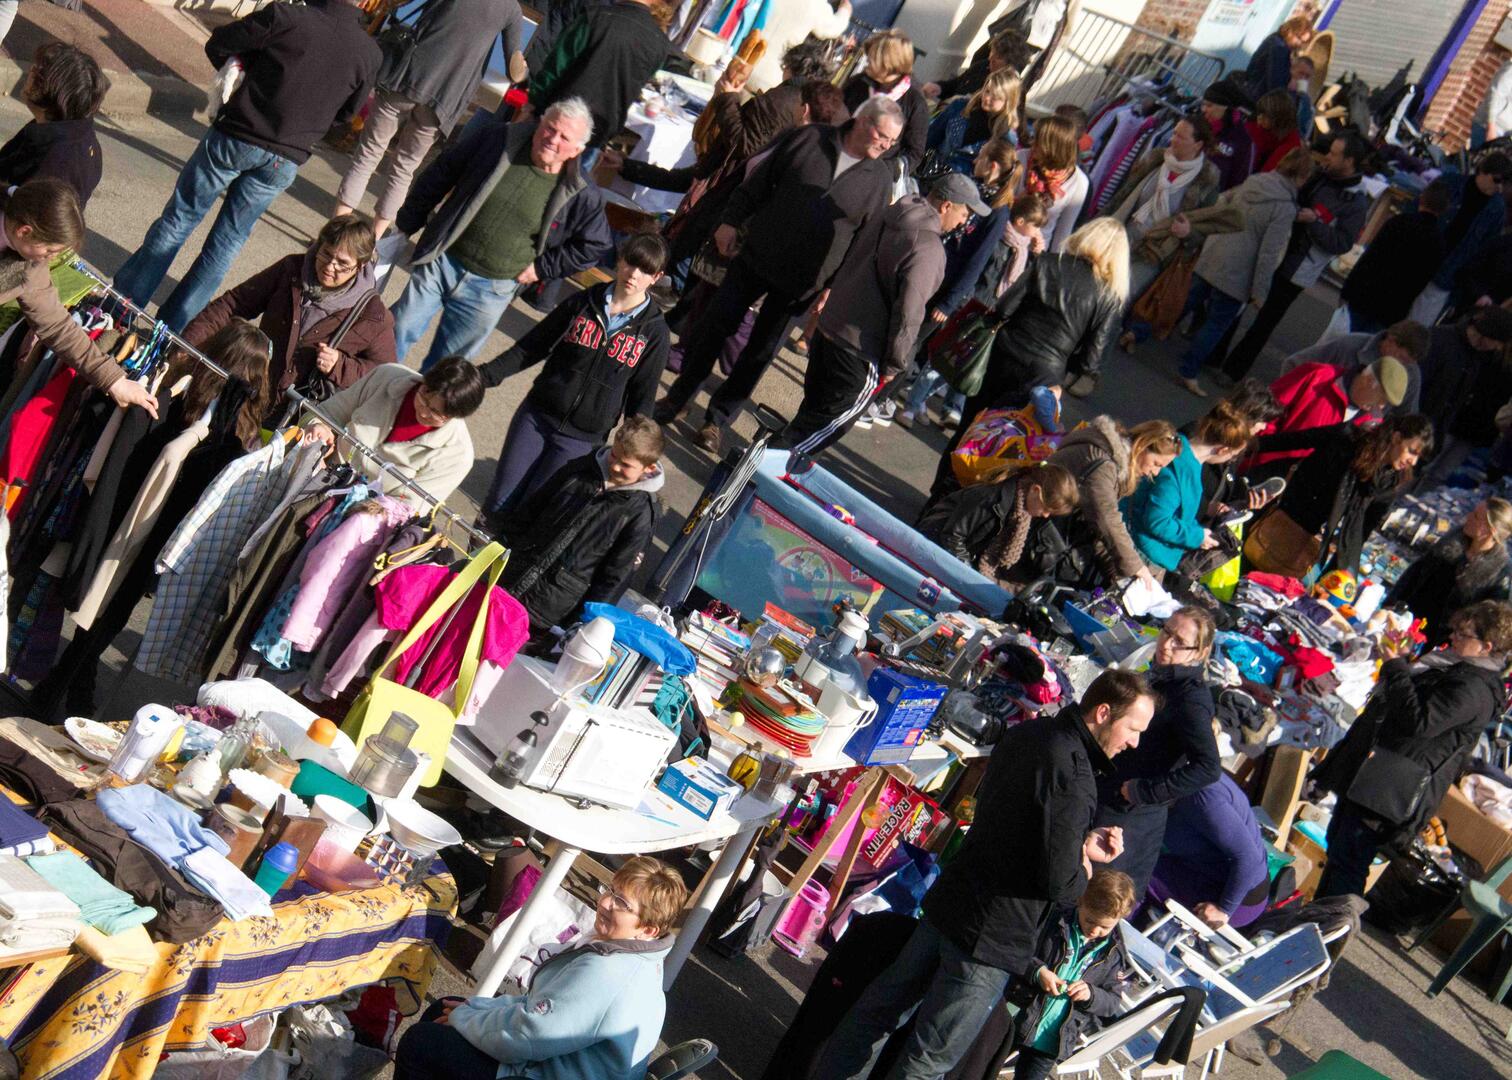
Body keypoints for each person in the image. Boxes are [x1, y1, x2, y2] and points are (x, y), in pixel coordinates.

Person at [815, 670, 1152, 1080]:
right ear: (1103, 712)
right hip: (993, 937)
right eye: (1133, 729)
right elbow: (1061, 883)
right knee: (927, 1059)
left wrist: (1079, 841)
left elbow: (1025, 829)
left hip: (953, 901)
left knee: (878, 1015)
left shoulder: (1031, 733)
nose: (1135, 742)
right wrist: (1083, 863)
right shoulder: (1074, 777)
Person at [32, 318, 276, 718]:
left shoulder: (183, 398)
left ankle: (71, 676)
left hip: (134, 514)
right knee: (114, 605)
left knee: (108, 599)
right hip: (158, 527)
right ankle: (68, 678)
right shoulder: (226, 422)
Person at [112, 0, 381, 331]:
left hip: (238, 134)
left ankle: (122, 306)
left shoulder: (287, 17)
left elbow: (220, 43)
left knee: (181, 219)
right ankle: (174, 328)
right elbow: (346, 115)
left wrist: (250, 70)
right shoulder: (369, 54)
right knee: (227, 242)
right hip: (285, 157)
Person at [653, 98, 901, 454]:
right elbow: (758, 182)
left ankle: (717, 420)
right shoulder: (810, 138)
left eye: (893, 141)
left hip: (805, 283)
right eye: (883, 136)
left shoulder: (879, 179)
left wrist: (833, 289)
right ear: (863, 121)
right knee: (713, 326)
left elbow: (863, 243)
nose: (887, 145)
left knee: (760, 352)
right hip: (756, 254)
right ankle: (678, 398)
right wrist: (729, 221)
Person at [393, 854, 688, 1080]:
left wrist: (467, 1019)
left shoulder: (608, 972)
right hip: (553, 1062)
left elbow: (528, 1037)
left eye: (622, 903)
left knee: (421, 1043)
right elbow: (538, 1010)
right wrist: (473, 1012)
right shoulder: (642, 960)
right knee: (443, 1011)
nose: (606, 903)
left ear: (648, 929)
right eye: (611, 890)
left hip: (539, 1070)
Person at [387, 98, 612, 372]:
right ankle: (374, 389)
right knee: (398, 328)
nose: (552, 139)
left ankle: (419, 402)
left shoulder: (581, 192)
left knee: (448, 367)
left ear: (577, 150)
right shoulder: (499, 139)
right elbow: (443, 171)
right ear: (540, 122)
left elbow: (595, 245)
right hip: (443, 259)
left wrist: (542, 268)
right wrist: (407, 222)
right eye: (550, 128)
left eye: (564, 137)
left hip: (494, 287)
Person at [1314, 600, 1512, 898]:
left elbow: (1420, 721)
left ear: (1486, 646)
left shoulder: (1473, 688)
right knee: (1340, 851)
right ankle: (1319, 918)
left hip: (1390, 789)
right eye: (1456, 630)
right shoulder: (1453, 669)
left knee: (1349, 863)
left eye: (1464, 634)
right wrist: (1404, 660)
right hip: (1377, 776)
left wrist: (1396, 667)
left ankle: (1333, 922)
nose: (1453, 636)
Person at [927, 217, 1127, 503]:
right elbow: (1090, 362)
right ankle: (965, 506)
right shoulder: (1107, 297)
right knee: (1009, 448)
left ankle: (937, 497)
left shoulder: (1048, 263)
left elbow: (1004, 308)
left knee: (969, 429)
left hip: (1002, 357)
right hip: (1044, 376)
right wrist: (1063, 374)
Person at [477, 233, 670, 519]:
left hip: (582, 440)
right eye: (631, 263)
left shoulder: (655, 333)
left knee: (533, 511)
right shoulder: (584, 301)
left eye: (645, 270)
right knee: (500, 499)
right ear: (620, 260)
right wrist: (483, 376)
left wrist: (636, 454)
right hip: (536, 416)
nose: (634, 274)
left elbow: (642, 397)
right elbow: (532, 345)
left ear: (657, 277)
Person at [601, 44, 817, 287]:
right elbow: (693, 176)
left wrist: (727, 100)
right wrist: (626, 166)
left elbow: (741, 146)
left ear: (788, 66)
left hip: (705, 230)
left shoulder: (777, 105)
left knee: (668, 279)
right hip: (706, 225)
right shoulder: (788, 109)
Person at [782, 176, 965, 456]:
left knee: (809, 419)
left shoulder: (889, 213)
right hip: (860, 349)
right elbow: (909, 313)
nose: (964, 221)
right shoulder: (929, 247)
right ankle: (755, 466)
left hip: (831, 328)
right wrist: (895, 363)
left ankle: (759, 467)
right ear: (946, 205)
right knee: (815, 435)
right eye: (964, 213)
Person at [334, 0, 527, 239]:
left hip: (406, 77)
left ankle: (336, 233)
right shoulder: (511, 9)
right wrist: (526, 71)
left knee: (368, 153)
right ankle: (372, 242)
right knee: (404, 168)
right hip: (445, 98)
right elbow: (514, 71)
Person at [181, 214, 395, 426]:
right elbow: (234, 304)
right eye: (326, 254)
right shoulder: (291, 269)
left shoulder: (373, 315)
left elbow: (385, 377)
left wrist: (340, 365)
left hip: (295, 421)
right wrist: (187, 346)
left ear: (360, 266)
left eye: (342, 264)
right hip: (251, 392)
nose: (330, 267)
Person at [492, 417, 665, 636]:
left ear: (649, 469)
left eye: (626, 465)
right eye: (614, 455)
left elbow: (615, 578)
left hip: (550, 608)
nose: (615, 466)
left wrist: (581, 624)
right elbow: (531, 510)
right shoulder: (582, 467)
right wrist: (499, 546)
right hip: (511, 575)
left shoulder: (640, 514)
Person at [1220, 131, 1370, 381]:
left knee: (1265, 322)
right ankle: (1214, 353)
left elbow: (1343, 243)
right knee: (1238, 298)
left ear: (1349, 162)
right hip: (1273, 248)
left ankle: (1233, 371)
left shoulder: (1355, 202)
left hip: (1298, 268)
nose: (1327, 157)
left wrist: (1314, 223)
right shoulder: (1319, 175)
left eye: (1334, 154)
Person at [2, 179, 157, 417]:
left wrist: (114, 379)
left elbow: (56, 325)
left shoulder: (30, 265)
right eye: (50, 250)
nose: (50, 258)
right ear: (24, 231)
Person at [1095, 607, 1221, 898]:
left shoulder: (1190, 699)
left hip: (1129, 813)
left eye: (1179, 642)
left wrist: (1146, 790)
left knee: (1096, 893)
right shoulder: (1160, 675)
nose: (1166, 644)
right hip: (1110, 790)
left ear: (1200, 652)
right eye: (1166, 632)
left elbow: (1208, 767)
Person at [899, 183, 1045, 430]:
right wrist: (958, 301)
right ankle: (912, 405)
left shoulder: (1023, 251)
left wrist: (1036, 255)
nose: (1038, 232)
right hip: (972, 306)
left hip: (992, 313)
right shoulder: (1000, 239)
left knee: (966, 366)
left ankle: (932, 403)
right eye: (1036, 226)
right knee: (942, 361)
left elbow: (1022, 284)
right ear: (1021, 221)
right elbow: (978, 269)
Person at [1177, 147, 1314, 394]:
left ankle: (1139, 331)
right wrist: (1260, 292)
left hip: (1213, 255)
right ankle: (1188, 371)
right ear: (1302, 177)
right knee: (1216, 324)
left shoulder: (1255, 181)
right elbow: (1269, 254)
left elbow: (1222, 202)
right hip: (1238, 275)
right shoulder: (1285, 209)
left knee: (1183, 302)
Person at [1248, 415, 1434, 578]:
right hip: (1281, 518)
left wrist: (1336, 576)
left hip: (1307, 546)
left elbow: (1359, 535)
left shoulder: (1389, 484)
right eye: (1412, 451)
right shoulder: (1349, 439)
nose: (1413, 461)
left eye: (1418, 457)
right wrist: (1252, 445)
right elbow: (1300, 439)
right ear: (1396, 438)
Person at [1107, 114, 1224, 351]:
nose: (1173, 139)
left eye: (1181, 136)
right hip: (1123, 237)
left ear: (1198, 144)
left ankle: (1097, 352)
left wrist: (1188, 232)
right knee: (1101, 289)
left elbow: (1205, 229)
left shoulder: (1207, 180)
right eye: (1174, 133)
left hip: (1155, 252)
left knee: (1119, 299)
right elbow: (1123, 194)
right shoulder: (1155, 159)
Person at [1006, 871, 1138, 1080]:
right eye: (1090, 920)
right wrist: (1038, 972)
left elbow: (1112, 1002)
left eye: (1105, 926)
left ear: (1119, 920)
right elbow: (1017, 949)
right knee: (983, 1065)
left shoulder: (1114, 955)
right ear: (1080, 901)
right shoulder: (1055, 922)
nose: (1094, 930)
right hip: (1017, 1015)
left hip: (1054, 1038)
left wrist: (1091, 994)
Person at [305, 358, 483, 505]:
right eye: (423, 397)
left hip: (361, 516)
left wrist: (362, 511)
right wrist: (320, 429)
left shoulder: (458, 455)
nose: (423, 412)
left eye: (436, 413)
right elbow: (327, 413)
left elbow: (408, 507)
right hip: (319, 473)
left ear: (455, 416)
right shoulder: (387, 376)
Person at [1123, 403, 1252, 583]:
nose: (1231, 460)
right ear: (1223, 450)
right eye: (1233, 455)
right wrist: (1197, 536)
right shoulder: (1179, 471)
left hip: (1143, 548)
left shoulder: (1182, 451)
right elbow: (1157, 521)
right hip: (1144, 554)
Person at [1045, 418, 1180, 589]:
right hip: (1040, 530)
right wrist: (1135, 567)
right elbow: (1106, 517)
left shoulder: (1110, 458)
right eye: (1156, 464)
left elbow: (1098, 527)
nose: (1155, 472)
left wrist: (1120, 570)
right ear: (1142, 446)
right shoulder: (1104, 465)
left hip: (1049, 530)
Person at [526, 0, 671, 154]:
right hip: (599, 131)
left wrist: (534, 103)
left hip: (558, 125)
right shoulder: (660, 43)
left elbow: (555, 68)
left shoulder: (596, 17)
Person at [1245, 350, 1410, 476]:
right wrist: (1256, 451)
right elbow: (1265, 411)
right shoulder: (1318, 376)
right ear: (1368, 380)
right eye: (1382, 398)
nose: (1381, 406)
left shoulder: (1372, 421)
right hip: (1259, 469)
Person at [1146, 774, 1273, 931]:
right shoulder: (1189, 778)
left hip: (1233, 897)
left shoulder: (1204, 799)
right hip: (1202, 870)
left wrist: (1224, 909)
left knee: (1136, 870)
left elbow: (1249, 860)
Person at [917, 462, 1079, 577]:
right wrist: (968, 573)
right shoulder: (992, 499)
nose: (1045, 516)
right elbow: (952, 536)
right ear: (1036, 490)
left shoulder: (1019, 512)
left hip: (951, 552)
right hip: (930, 545)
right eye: (1046, 509)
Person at [1388, 498, 1512, 646]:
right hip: (1406, 619)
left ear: (1490, 531)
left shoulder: (1499, 574)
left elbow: (1487, 623)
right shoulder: (1451, 543)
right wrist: (1392, 603)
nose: (1468, 516)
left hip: (1442, 641)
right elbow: (1414, 574)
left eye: (1476, 516)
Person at [1336, 178, 1449, 335]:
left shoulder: (1399, 222)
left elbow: (1371, 257)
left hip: (1366, 293)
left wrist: (1348, 288)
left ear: (1422, 198)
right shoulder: (1439, 243)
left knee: (1343, 338)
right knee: (1368, 344)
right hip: (1393, 308)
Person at [0, 43, 108, 207]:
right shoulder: (74, 132)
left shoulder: (56, 166)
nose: (29, 72)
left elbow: (25, 214)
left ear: (50, 90)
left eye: (36, 71)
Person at [1412, 154, 1512, 328]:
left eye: (1504, 183)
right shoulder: (1451, 182)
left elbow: (1483, 251)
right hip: (1418, 257)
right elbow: (1418, 207)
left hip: (1447, 274)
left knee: (1416, 325)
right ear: (1483, 171)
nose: (1499, 187)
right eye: (1496, 180)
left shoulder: (1497, 209)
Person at [1418, 308, 1512, 485]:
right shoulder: (1442, 340)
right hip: (1430, 421)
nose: (1499, 347)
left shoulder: (1476, 355)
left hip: (1450, 424)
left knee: (1435, 473)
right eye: (1498, 342)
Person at [1277, 320, 1430, 416]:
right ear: (1391, 340)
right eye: (1401, 357)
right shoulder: (1350, 345)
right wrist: (1290, 407)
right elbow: (1294, 364)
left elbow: (1406, 417)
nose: (1402, 366)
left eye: (1408, 362)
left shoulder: (1412, 374)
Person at [1190, 379, 1285, 524]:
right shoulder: (1196, 436)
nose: (1264, 427)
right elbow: (1176, 488)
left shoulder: (1237, 443)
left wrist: (1244, 499)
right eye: (1262, 420)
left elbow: (1223, 484)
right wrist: (1206, 508)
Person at [841, 30, 930, 175]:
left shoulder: (915, 103)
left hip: (872, 174)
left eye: (872, 59)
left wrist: (883, 171)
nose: (867, 63)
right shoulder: (858, 83)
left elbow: (914, 153)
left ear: (889, 63)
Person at [924, 68, 1023, 177]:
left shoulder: (1006, 136)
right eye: (987, 91)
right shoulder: (960, 106)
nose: (987, 98)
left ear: (1008, 102)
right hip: (930, 171)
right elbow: (932, 136)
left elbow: (995, 176)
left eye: (995, 97)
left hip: (963, 183)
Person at [744, 0, 853, 93]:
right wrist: (845, 11)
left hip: (743, 61)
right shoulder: (817, 5)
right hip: (772, 77)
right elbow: (831, 28)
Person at [1015, 114, 1088, 253]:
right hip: (1006, 239)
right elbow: (1002, 202)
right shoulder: (1021, 157)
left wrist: (1048, 259)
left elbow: (1063, 232)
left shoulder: (1079, 182)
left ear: (1053, 147)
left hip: (1036, 251)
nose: (1032, 143)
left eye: (1038, 140)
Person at [924, 26, 1032, 102]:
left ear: (1011, 63)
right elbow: (957, 83)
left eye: (998, 57)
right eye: (992, 52)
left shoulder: (1011, 88)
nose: (991, 58)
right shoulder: (982, 66)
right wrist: (939, 87)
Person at [1199, 79, 1256, 193]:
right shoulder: (1198, 124)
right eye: (1203, 104)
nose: (1204, 109)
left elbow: (1239, 181)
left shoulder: (1243, 141)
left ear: (1225, 107)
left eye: (1209, 105)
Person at [1243, 13, 1314, 99]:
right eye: (1298, 38)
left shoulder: (1275, 39)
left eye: (1303, 42)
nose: (1299, 44)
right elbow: (1275, 84)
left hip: (1251, 88)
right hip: (1257, 96)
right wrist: (1290, 84)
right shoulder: (1279, 48)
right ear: (1290, 31)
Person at [1245, 89, 1301, 174]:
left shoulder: (1290, 147)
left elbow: (1267, 176)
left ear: (1279, 119)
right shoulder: (1264, 129)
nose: (1259, 119)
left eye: (1265, 116)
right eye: (1259, 113)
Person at [1488, 60, 1512, 143]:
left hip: (1507, 135)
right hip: (1496, 128)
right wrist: (1491, 127)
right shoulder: (1510, 71)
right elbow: (1496, 95)